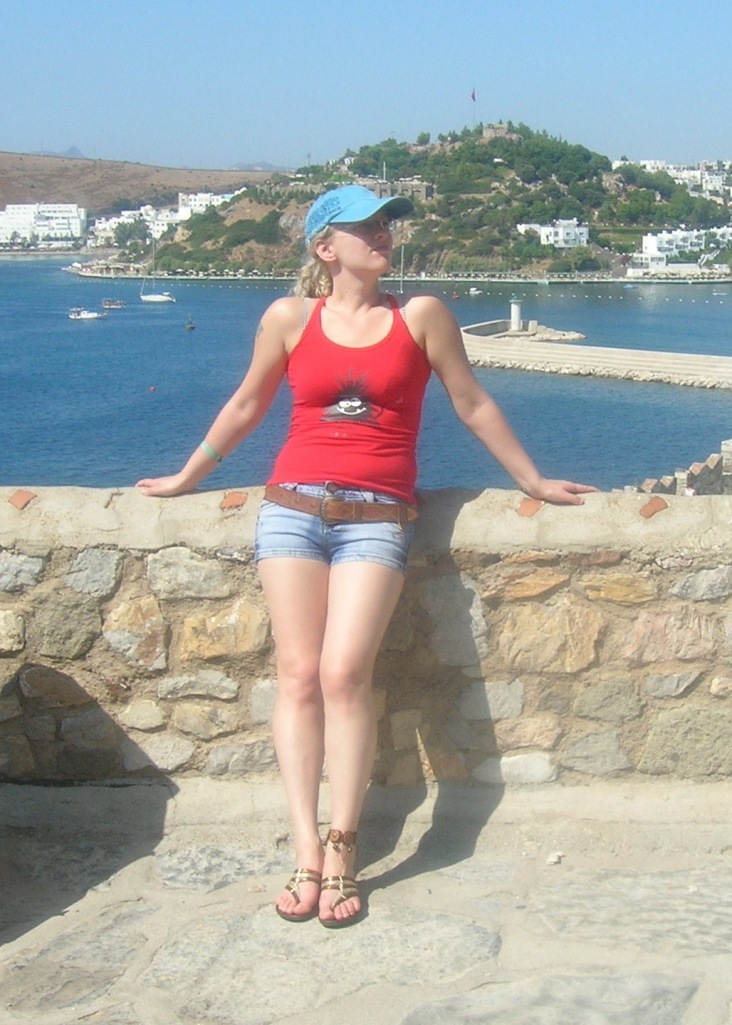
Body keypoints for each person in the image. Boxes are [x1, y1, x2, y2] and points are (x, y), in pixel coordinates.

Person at [136, 184, 597, 929]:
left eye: (386, 223)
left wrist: (533, 480)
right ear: (325, 247)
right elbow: (248, 404)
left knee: (344, 673)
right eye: (365, 226)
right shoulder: (289, 318)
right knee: (297, 676)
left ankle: (343, 846)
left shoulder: (422, 316)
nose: (383, 233)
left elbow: (471, 401)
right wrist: (189, 475)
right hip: (291, 509)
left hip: (378, 516)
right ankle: (305, 847)